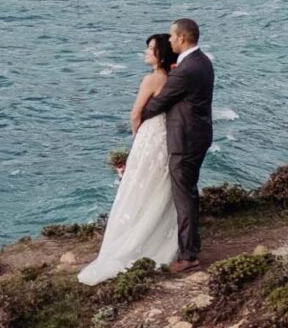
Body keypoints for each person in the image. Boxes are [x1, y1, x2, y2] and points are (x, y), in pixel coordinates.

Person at [78, 32, 181, 285]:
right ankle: (161, 242)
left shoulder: (152, 79)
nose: (146, 52)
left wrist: (138, 136)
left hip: (150, 136)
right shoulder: (175, 78)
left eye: (150, 48)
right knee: (159, 189)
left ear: (160, 54)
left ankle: (131, 243)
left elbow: (136, 114)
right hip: (167, 138)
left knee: (138, 188)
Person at [135, 16, 215, 269]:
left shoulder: (187, 69)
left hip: (186, 139)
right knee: (188, 192)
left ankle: (188, 255)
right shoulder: (203, 61)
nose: (169, 40)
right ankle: (189, 245)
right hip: (198, 135)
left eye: (171, 36)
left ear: (181, 38)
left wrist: (142, 119)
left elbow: (160, 103)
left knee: (184, 196)